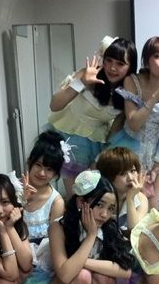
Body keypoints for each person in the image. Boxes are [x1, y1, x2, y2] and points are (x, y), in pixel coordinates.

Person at [47, 170, 133, 284]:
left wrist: (83, 262)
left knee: (104, 275)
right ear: (80, 202)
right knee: (83, 275)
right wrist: (91, 235)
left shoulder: (109, 227)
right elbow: (65, 275)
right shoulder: (58, 227)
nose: (104, 214)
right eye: (99, 205)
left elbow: (125, 271)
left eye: (111, 209)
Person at [48, 36, 137, 195]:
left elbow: (114, 132)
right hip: (68, 135)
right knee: (75, 195)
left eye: (120, 64)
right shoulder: (87, 74)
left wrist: (98, 161)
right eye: (109, 60)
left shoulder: (127, 93)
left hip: (96, 141)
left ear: (130, 67)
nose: (112, 68)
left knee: (93, 194)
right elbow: (54, 105)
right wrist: (82, 82)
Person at [110, 36, 159, 208]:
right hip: (131, 146)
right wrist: (154, 98)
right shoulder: (132, 81)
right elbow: (133, 123)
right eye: (157, 56)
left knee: (156, 206)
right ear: (146, 61)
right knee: (129, 204)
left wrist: (157, 167)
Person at [14, 131, 67, 284]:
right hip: (15, 248)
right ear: (29, 162)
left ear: (56, 174)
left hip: (43, 257)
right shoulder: (13, 187)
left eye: (49, 169)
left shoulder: (56, 201)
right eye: (38, 165)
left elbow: (55, 240)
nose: (42, 173)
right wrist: (21, 201)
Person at [96, 147, 150, 284]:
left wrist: (131, 198)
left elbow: (135, 231)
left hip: (127, 255)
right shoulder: (99, 198)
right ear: (109, 176)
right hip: (101, 252)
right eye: (122, 173)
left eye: (133, 171)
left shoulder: (140, 198)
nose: (131, 177)